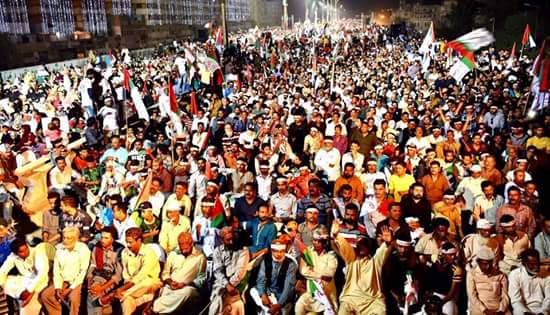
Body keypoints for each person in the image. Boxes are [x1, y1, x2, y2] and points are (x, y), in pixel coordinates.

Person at [332, 221, 393, 315]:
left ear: (368, 248)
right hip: (350, 298)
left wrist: (387, 243)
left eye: (364, 245)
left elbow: (381, 252)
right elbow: (345, 247)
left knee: (381, 310)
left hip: (371, 300)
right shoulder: (351, 260)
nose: (361, 247)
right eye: (359, 245)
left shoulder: (374, 262)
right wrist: (336, 235)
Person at [152, 232, 207, 314]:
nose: (183, 251)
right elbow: (165, 273)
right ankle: (161, 309)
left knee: (187, 292)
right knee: (165, 291)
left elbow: (201, 279)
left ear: (191, 243)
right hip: (171, 286)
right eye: (182, 249)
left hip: (187, 288)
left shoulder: (200, 257)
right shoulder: (173, 254)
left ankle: (155, 307)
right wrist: (170, 282)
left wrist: (184, 284)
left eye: (186, 249)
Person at [40, 226, 91, 315]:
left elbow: (83, 272)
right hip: (64, 281)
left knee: (73, 299)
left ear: (76, 239)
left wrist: (70, 288)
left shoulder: (83, 249)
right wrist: (58, 287)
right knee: (45, 296)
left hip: (78, 282)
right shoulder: (59, 250)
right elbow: (57, 271)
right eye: (64, 237)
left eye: (68, 238)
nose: (65, 240)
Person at [114, 227, 162, 315]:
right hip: (134, 289)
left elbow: (141, 276)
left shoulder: (149, 253)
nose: (128, 245)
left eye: (130, 242)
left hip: (150, 285)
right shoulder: (125, 252)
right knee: (127, 300)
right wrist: (127, 286)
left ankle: (122, 294)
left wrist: (122, 290)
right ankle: (125, 295)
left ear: (139, 240)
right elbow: (126, 275)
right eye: (126, 242)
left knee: (146, 282)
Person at [294, 227, 338, 315]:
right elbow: (303, 271)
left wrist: (311, 272)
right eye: (314, 240)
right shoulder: (308, 252)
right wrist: (321, 276)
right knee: (299, 306)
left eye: (318, 241)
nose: (315, 243)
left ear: (324, 242)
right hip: (312, 293)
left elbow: (329, 275)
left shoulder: (331, 256)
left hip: (327, 294)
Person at [0, 239, 50, 315]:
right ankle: (21, 296)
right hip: (24, 285)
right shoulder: (13, 256)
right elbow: (2, 271)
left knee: (25, 310)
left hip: (39, 284)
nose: (26, 252)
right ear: (16, 253)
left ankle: (25, 298)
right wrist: (2, 284)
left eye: (26, 249)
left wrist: (29, 291)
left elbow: (42, 274)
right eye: (21, 252)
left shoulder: (38, 253)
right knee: (7, 280)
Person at [209, 227, 250, 315]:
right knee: (216, 306)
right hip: (221, 285)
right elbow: (217, 271)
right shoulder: (217, 251)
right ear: (222, 240)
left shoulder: (243, 251)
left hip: (238, 286)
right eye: (228, 240)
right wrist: (226, 285)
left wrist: (230, 286)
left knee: (235, 306)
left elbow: (240, 273)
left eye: (232, 238)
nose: (231, 242)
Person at [251, 239, 298, 315]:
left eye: (281, 251)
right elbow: (261, 280)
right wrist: (263, 295)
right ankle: (266, 308)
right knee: (253, 291)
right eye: (275, 251)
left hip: (282, 295)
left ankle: (267, 309)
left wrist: (279, 305)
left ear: (284, 250)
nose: (278, 254)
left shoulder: (290, 264)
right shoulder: (266, 261)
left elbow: (288, 288)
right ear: (272, 251)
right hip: (269, 291)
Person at [86, 227, 123, 315]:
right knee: (92, 291)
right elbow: (92, 265)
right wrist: (89, 281)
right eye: (102, 237)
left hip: (111, 280)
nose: (102, 240)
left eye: (106, 238)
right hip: (98, 276)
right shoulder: (97, 247)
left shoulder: (119, 250)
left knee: (94, 295)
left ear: (112, 239)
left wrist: (102, 288)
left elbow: (117, 276)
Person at [466, 246, 510, 315]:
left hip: (498, 308)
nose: (488, 267)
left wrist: (501, 310)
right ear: (478, 262)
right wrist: (485, 310)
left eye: (490, 263)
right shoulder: (472, 274)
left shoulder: (500, 275)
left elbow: (505, 296)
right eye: (485, 264)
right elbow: (472, 296)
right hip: (480, 309)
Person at [423, 242, 463, 315]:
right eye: (450, 255)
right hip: (433, 296)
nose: (453, 257)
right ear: (444, 255)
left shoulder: (457, 270)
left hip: (447, 299)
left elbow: (452, 292)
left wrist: (440, 303)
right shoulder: (435, 263)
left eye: (454, 255)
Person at [508, 249, 550, 315]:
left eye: (537, 263)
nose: (536, 267)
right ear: (524, 264)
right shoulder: (515, 275)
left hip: (542, 309)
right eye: (532, 264)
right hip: (522, 309)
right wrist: (525, 312)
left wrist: (543, 311)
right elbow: (515, 300)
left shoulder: (546, 274)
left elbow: (549, 298)